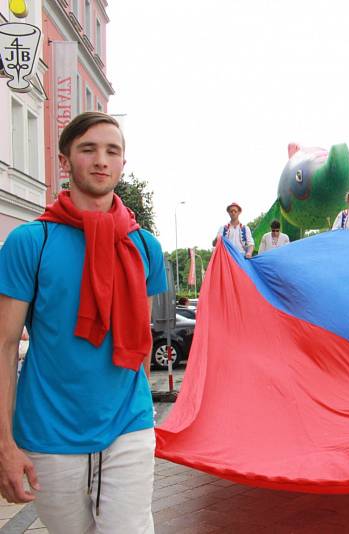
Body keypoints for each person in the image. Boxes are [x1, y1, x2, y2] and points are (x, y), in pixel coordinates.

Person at [0, 112, 167, 532]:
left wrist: (142, 407)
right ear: (65, 160)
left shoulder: (145, 247)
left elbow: (141, 340)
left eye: (112, 151)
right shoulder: (30, 242)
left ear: (123, 163)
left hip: (128, 424)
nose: (101, 160)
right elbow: (4, 346)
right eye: (88, 149)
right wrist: (5, 444)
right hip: (49, 431)